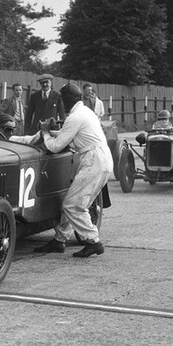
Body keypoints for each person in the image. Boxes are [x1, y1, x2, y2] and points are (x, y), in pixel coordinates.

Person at [33, 83, 113, 258]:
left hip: (94, 161)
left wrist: (45, 132)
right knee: (76, 203)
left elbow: (55, 147)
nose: (62, 103)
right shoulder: (85, 112)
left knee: (72, 204)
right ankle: (59, 240)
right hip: (101, 159)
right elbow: (67, 135)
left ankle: (93, 241)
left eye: (63, 100)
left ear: (67, 101)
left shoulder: (75, 117)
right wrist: (54, 131)